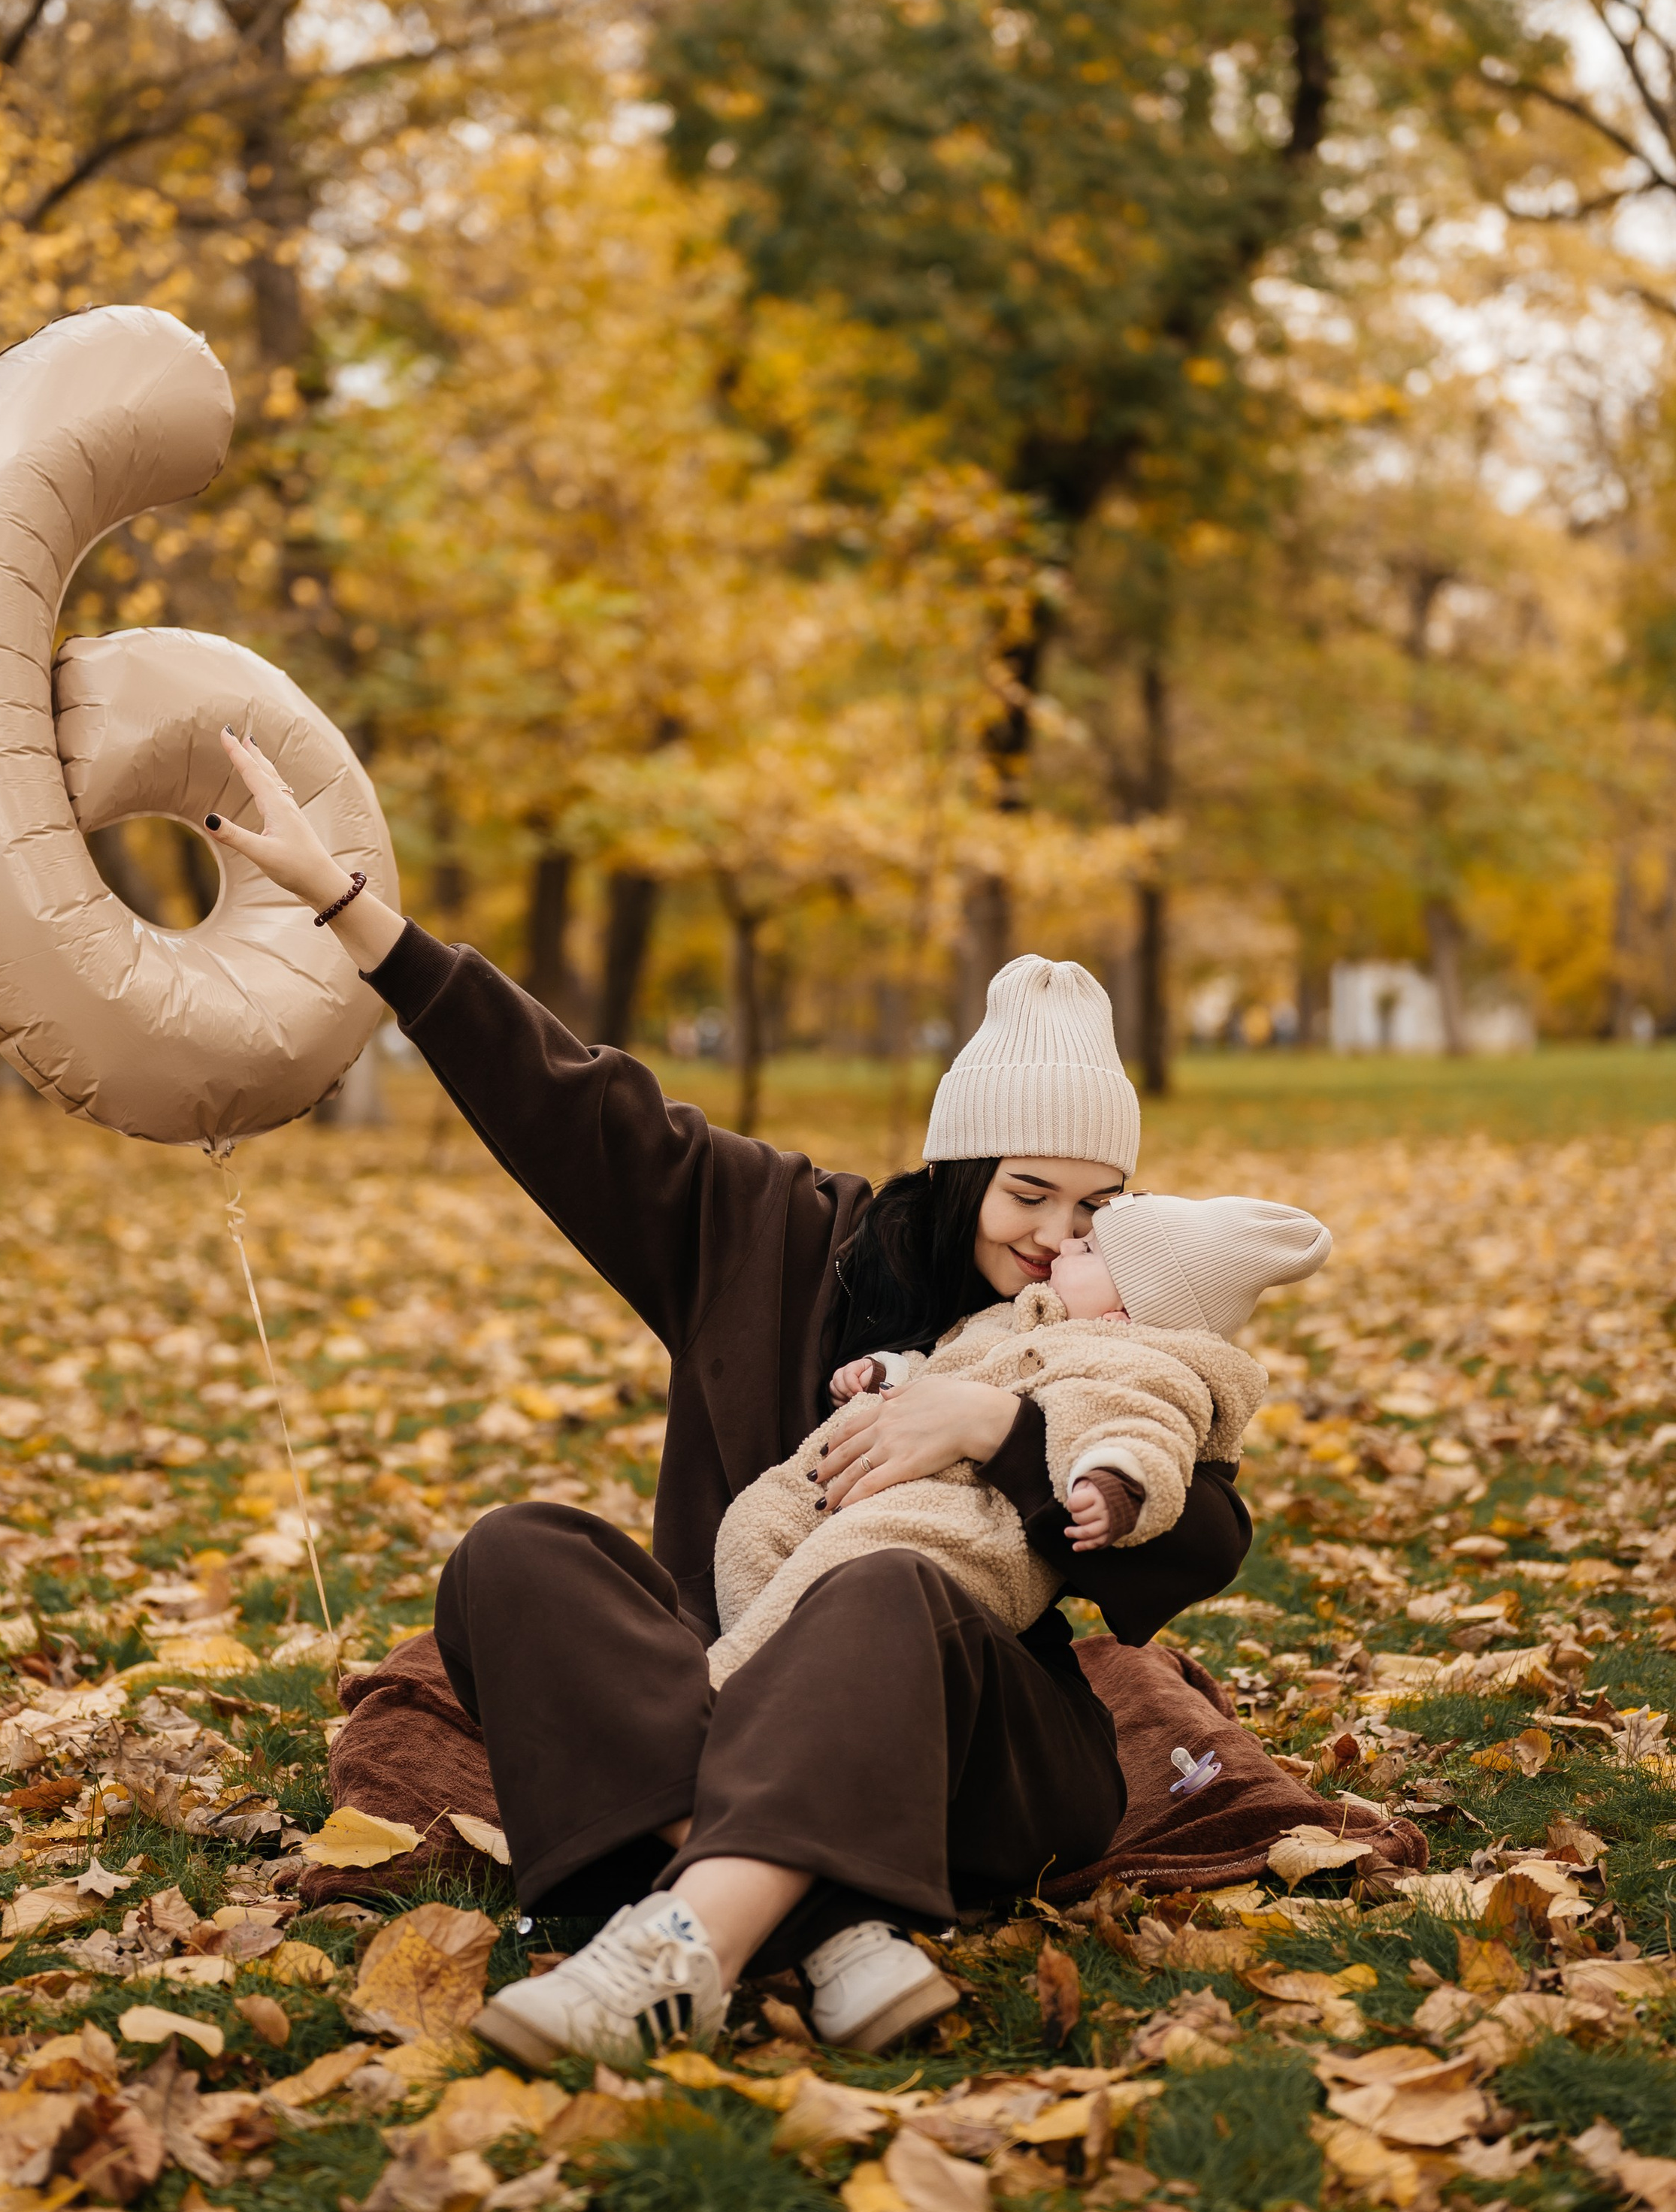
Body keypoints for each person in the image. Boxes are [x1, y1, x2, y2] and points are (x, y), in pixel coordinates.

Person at [204, 730, 1254, 2065]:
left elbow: (1208, 1527)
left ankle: (672, 1942)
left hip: (970, 1753)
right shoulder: (773, 1229)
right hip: (712, 1691)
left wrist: (998, 1430)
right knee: (514, 1553)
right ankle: (817, 1929)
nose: (1061, 1236)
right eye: (1029, 1194)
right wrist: (353, 910)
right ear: (961, 1165)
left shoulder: (1104, 1314)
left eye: (1097, 1206)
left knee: (878, 1586)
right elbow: (567, 1099)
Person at [709, 1191, 1330, 1689]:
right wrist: (890, 1373)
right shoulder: (1017, 1314)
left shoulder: (1131, 1361)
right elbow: (952, 1362)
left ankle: (726, 1692)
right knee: (754, 1524)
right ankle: (771, 1691)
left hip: (963, 1527)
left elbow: (1139, 1427)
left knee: (849, 1565)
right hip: (857, 1488)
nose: (1062, 1240)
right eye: (1029, 1194)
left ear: (1125, 1311)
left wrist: (1114, 1478)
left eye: (1085, 1245)